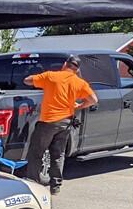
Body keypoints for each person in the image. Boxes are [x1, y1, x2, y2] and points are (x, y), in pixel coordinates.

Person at [23, 55, 98, 194]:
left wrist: (38, 78)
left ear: (65, 64)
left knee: (36, 152)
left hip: (48, 122)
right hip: (65, 122)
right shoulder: (79, 83)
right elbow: (93, 99)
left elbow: (27, 80)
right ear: (76, 69)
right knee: (58, 154)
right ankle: (55, 186)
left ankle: (33, 183)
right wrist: (79, 106)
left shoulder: (51, 76)